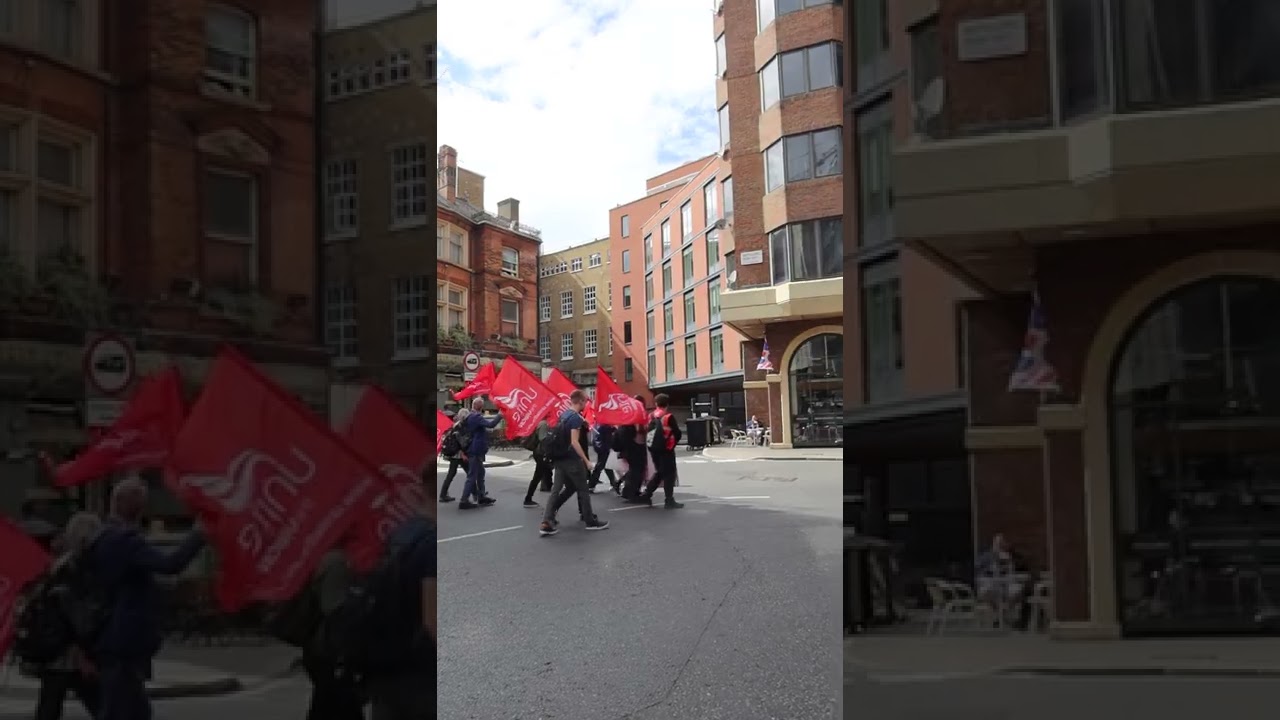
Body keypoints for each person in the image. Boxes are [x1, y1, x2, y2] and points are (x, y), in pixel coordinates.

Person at [91, 478, 206, 720]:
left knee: (134, 711)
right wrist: (199, 533)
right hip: (124, 640)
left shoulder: (104, 537)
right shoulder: (124, 540)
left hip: (113, 638)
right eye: (140, 503)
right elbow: (170, 564)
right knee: (123, 711)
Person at [23, 512, 103, 720]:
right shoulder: (77, 568)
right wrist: (85, 654)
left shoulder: (57, 567)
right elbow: (76, 617)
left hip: (55, 651)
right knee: (99, 704)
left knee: (50, 705)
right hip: (69, 653)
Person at [365, 513, 434, 720]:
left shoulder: (399, 531)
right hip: (417, 672)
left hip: (386, 659)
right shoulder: (431, 542)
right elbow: (432, 621)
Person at [302, 547, 365, 720]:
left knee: (328, 703)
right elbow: (334, 607)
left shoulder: (328, 558)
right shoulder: (337, 561)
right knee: (334, 703)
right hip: (331, 649)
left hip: (324, 648)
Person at [538, 390, 609, 536]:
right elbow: (575, 442)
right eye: (585, 401)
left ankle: (547, 519)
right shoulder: (575, 418)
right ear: (581, 401)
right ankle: (590, 521)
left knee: (564, 489)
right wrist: (587, 461)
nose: (586, 404)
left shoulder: (564, 415)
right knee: (583, 490)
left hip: (559, 459)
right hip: (571, 460)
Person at [635, 393, 684, 509]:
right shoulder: (668, 417)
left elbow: (646, 429)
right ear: (667, 404)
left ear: (656, 404)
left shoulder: (651, 416)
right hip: (666, 449)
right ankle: (669, 500)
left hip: (653, 448)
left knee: (660, 471)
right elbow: (677, 433)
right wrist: (672, 444)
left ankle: (647, 494)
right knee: (669, 474)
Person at [459, 398, 502, 509]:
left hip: (473, 449)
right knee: (472, 476)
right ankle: (464, 500)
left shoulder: (469, 417)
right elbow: (491, 424)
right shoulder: (476, 417)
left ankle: (481, 496)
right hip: (475, 449)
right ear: (480, 406)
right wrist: (500, 415)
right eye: (482, 406)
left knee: (481, 473)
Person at [618, 395, 650, 501]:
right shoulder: (638, 413)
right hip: (636, 445)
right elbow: (640, 430)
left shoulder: (628, 413)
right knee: (637, 470)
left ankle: (629, 491)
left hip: (628, 445)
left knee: (634, 470)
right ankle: (631, 493)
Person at [438, 407, 470, 503]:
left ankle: (443, 495)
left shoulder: (454, 425)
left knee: (452, 474)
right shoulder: (460, 426)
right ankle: (477, 494)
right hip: (458, 454)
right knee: (470, 473)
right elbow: (460, 442)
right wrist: (463, 453)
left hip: (454, 454)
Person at [522, 418, 553, 508]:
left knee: (546, 472)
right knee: (537, 476)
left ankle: (548, 488)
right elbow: (543, 439)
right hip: (541, 453)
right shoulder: (543, 424)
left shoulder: (544, 423)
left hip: (541, 453)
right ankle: (528, 499)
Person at [589, 423, 618, 492]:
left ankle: (613, 483)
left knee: (606, 465)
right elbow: (608, 436)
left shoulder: (599, 424)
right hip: (604, 447)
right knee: (601, 466)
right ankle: (591, 485)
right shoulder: (605, 425)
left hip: (601, 446)